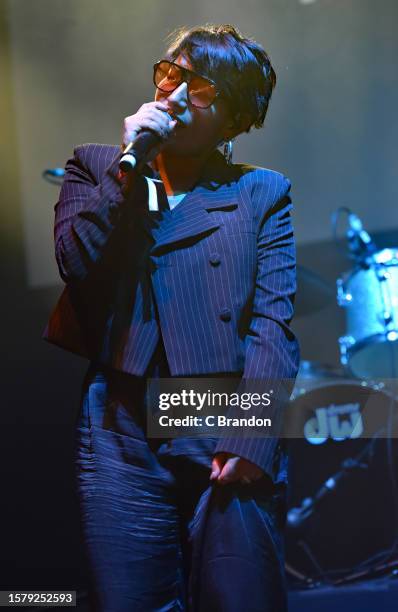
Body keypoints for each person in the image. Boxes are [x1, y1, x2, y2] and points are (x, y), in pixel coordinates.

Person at [44, 23, 300, 612]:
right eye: (170, 75)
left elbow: (272, 324)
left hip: (222, 417)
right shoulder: (98, 167)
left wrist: (253, 434)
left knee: (239, 597)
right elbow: (74, 261)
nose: (175, 95)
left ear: (234, 120)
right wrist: (130, 164)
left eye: (202, 89)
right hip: (121, 424)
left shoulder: (261, 193)